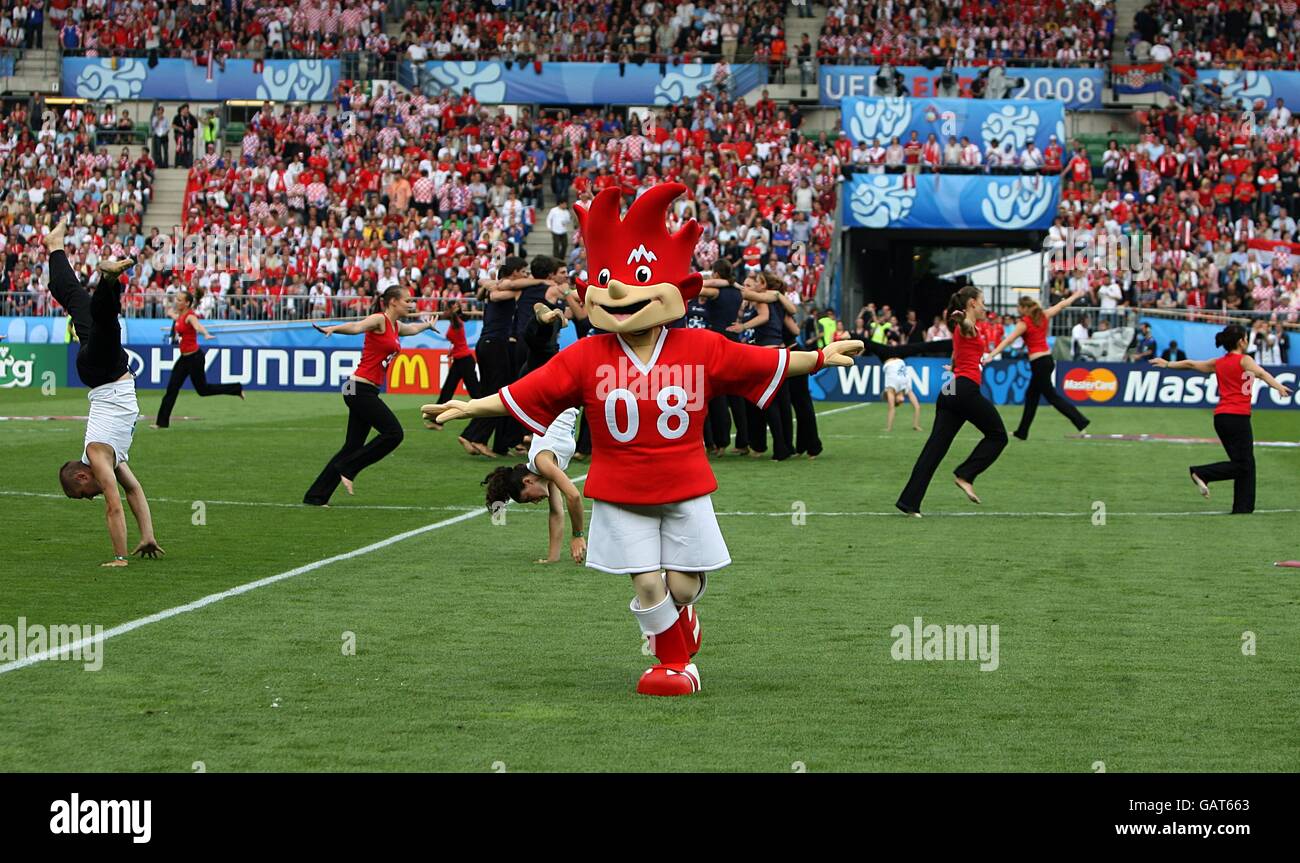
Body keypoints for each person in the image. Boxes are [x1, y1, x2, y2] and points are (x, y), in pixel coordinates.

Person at [423, 184, 863, 696]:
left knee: (681, 585)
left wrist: (816, 357)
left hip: (684, 483)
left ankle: (684, 620)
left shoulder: (700, 346)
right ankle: (673, 664)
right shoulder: (587, 354)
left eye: (639, 280)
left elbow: (761, 362)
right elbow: (529, 390)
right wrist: (470, 405)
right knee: (647, 582)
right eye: (606, 279)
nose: (618, 293)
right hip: (619, 485)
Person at [46, 221, 164, 566]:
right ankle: (56, 249)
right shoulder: (113, 461)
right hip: (102, 375)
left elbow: (114, 504)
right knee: (77, 303)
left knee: (105, 325)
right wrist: (147, 535)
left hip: (105, 374)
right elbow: (133, 491)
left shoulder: (98, 457)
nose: (90, 498)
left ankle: (109, 279)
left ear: (82, 476)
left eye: (83, 495)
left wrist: (120, 556)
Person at [303, 286, 435, 505]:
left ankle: (316, 496)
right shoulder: (379, 320)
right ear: (393, 301)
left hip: (363, 390)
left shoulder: (395, 325)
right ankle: (348, 468)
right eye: (407, 300)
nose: (411, 304)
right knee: (394, 433)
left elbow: (411, 329)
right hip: (357, 389)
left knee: (352, 446)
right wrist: (334, 329)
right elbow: (356, 327)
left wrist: (427, 326)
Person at [1152, 325, 1292, 514]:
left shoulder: (1218, 362)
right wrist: (1279, 387)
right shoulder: (1245, 360)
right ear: (1241, 341)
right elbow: (1261, 373)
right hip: (1238, 417)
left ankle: (1243, 507)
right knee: (1243, 465)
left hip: (1222, 418)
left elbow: (1192, 364)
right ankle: (1201, 473)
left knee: (1245, 463)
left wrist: (1168, 364)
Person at [896, 286, 1007, 517]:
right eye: (982, 301)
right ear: (973, 304)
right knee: (998, 435)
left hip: (951, 390)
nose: (985, 306)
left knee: (933, 451)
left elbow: (956, 357)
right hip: (964, 390)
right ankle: (966, 475)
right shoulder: (966, 326)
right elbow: (965, 327)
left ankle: (909, 502)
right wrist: (962, 319)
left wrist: (953, 367)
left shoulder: (961, 330)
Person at [481, 408, 586, 565]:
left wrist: (577, 535)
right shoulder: (546, 474)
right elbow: (556, 513)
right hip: (568, 400)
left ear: (527, 481)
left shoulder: (542, 463)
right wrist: (552, 558)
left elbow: (574, 496)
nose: (536, 502)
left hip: (558, 394)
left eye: (529, 498)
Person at [987, 292, 1090, 440]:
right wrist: (1076, 296)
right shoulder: (1043, 315)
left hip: (1039, 363)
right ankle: (1022, 432)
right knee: (1032, 397)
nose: (1017, 309)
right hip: (1047, 360)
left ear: (1024, 308)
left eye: (1018, 307)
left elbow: (1008, 340)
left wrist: (992, 354)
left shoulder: (1024, 323)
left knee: (1052, 397)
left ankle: (1081, 421)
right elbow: (1062, 305)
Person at [151, 290, 244, 429]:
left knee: (203, 390)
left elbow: (197, 326)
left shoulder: (190, 316)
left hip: (195, 358)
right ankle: (161, 423)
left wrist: (205, 333)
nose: (177, 301)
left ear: (187, 303)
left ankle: (236, 388)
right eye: (177, 299)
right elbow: (178, 320)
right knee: (172, 388)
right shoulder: (180, 316)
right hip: (184, 358)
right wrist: (172, 315)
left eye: (180, 300)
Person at [425, 300, 480, 428]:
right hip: (461, 360)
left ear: (450, 311)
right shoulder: (456, 323)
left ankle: (487, 415)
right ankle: (436, 420)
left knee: (474, 392)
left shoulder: (456, 323)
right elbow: (458, 343)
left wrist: (455, 311)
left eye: (446, 310)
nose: (443, 312)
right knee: (448, 390)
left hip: (464, 361)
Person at [882, 346, 922, 433]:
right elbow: (917, 407)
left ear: (895, 398)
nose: (901, 401)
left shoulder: (891, 389)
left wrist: (888, 428)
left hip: (888, 358)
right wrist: (916, 425)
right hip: (898, 357)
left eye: (899, 402)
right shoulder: (907, 389)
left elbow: (891, 409)